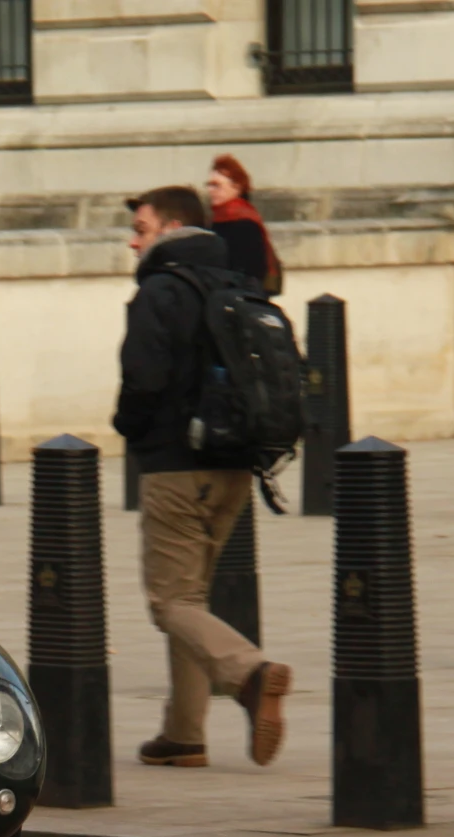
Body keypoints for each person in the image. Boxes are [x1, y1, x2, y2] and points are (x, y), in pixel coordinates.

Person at [112, 185, 292, 769]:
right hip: (235, 465)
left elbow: (142, 377)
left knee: (171, 604)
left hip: (176, 467)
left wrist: (130, 430)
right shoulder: (237, 283)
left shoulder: (160, 291)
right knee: (192, 600)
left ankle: (250, 673)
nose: (133, 239)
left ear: (170, 228)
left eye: (141, 226)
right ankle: (184, 733)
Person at [205, 154, 281, 295]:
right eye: (209, 185)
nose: (210, 190)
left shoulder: (245, 222)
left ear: (237, 187)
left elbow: (252, 271)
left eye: (216, 185)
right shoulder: (212, 219)